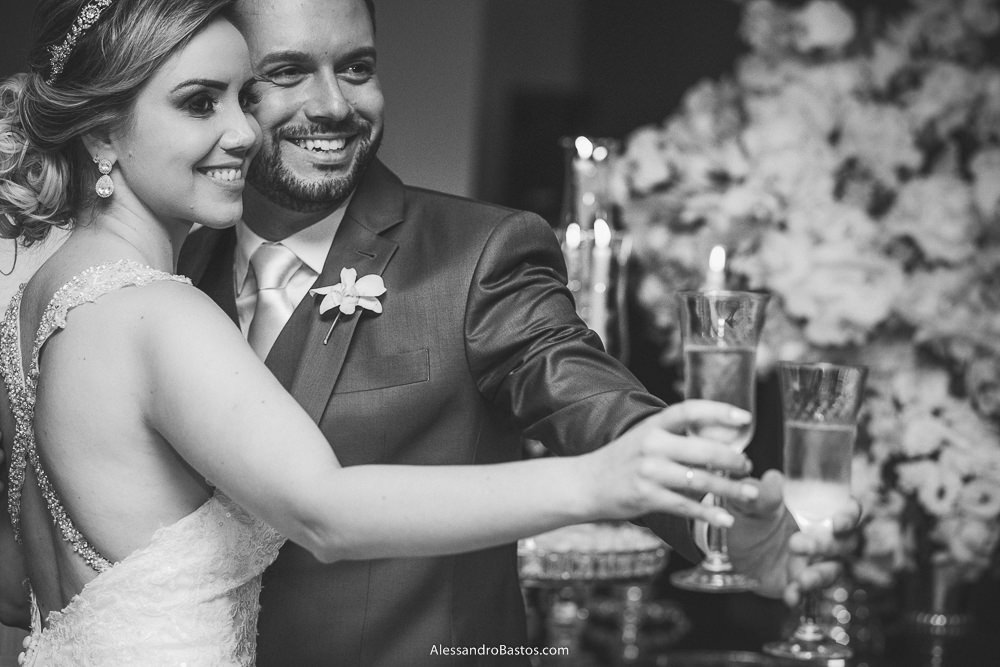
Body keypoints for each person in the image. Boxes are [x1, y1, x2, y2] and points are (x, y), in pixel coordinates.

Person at [0, 0, 785, 664]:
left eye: (357, 68)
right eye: (278, 77)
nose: (333, 105)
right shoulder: (161, 287)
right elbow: (317, 508)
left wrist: (719, 512)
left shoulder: (477, 253)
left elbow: (589, 399)